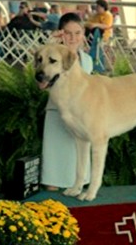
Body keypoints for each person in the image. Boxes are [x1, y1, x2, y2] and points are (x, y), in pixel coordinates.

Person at [41, 12, 93, 191]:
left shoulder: (87, 61)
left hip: (81, 121)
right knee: (54, 173)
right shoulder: (51, 57)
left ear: (83, 33)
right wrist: (51, 43)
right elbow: (42, 81)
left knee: (78, 170)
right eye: (68, 33)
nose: (73, 37)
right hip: (56, 117)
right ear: (60, 33)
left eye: (77, 33)